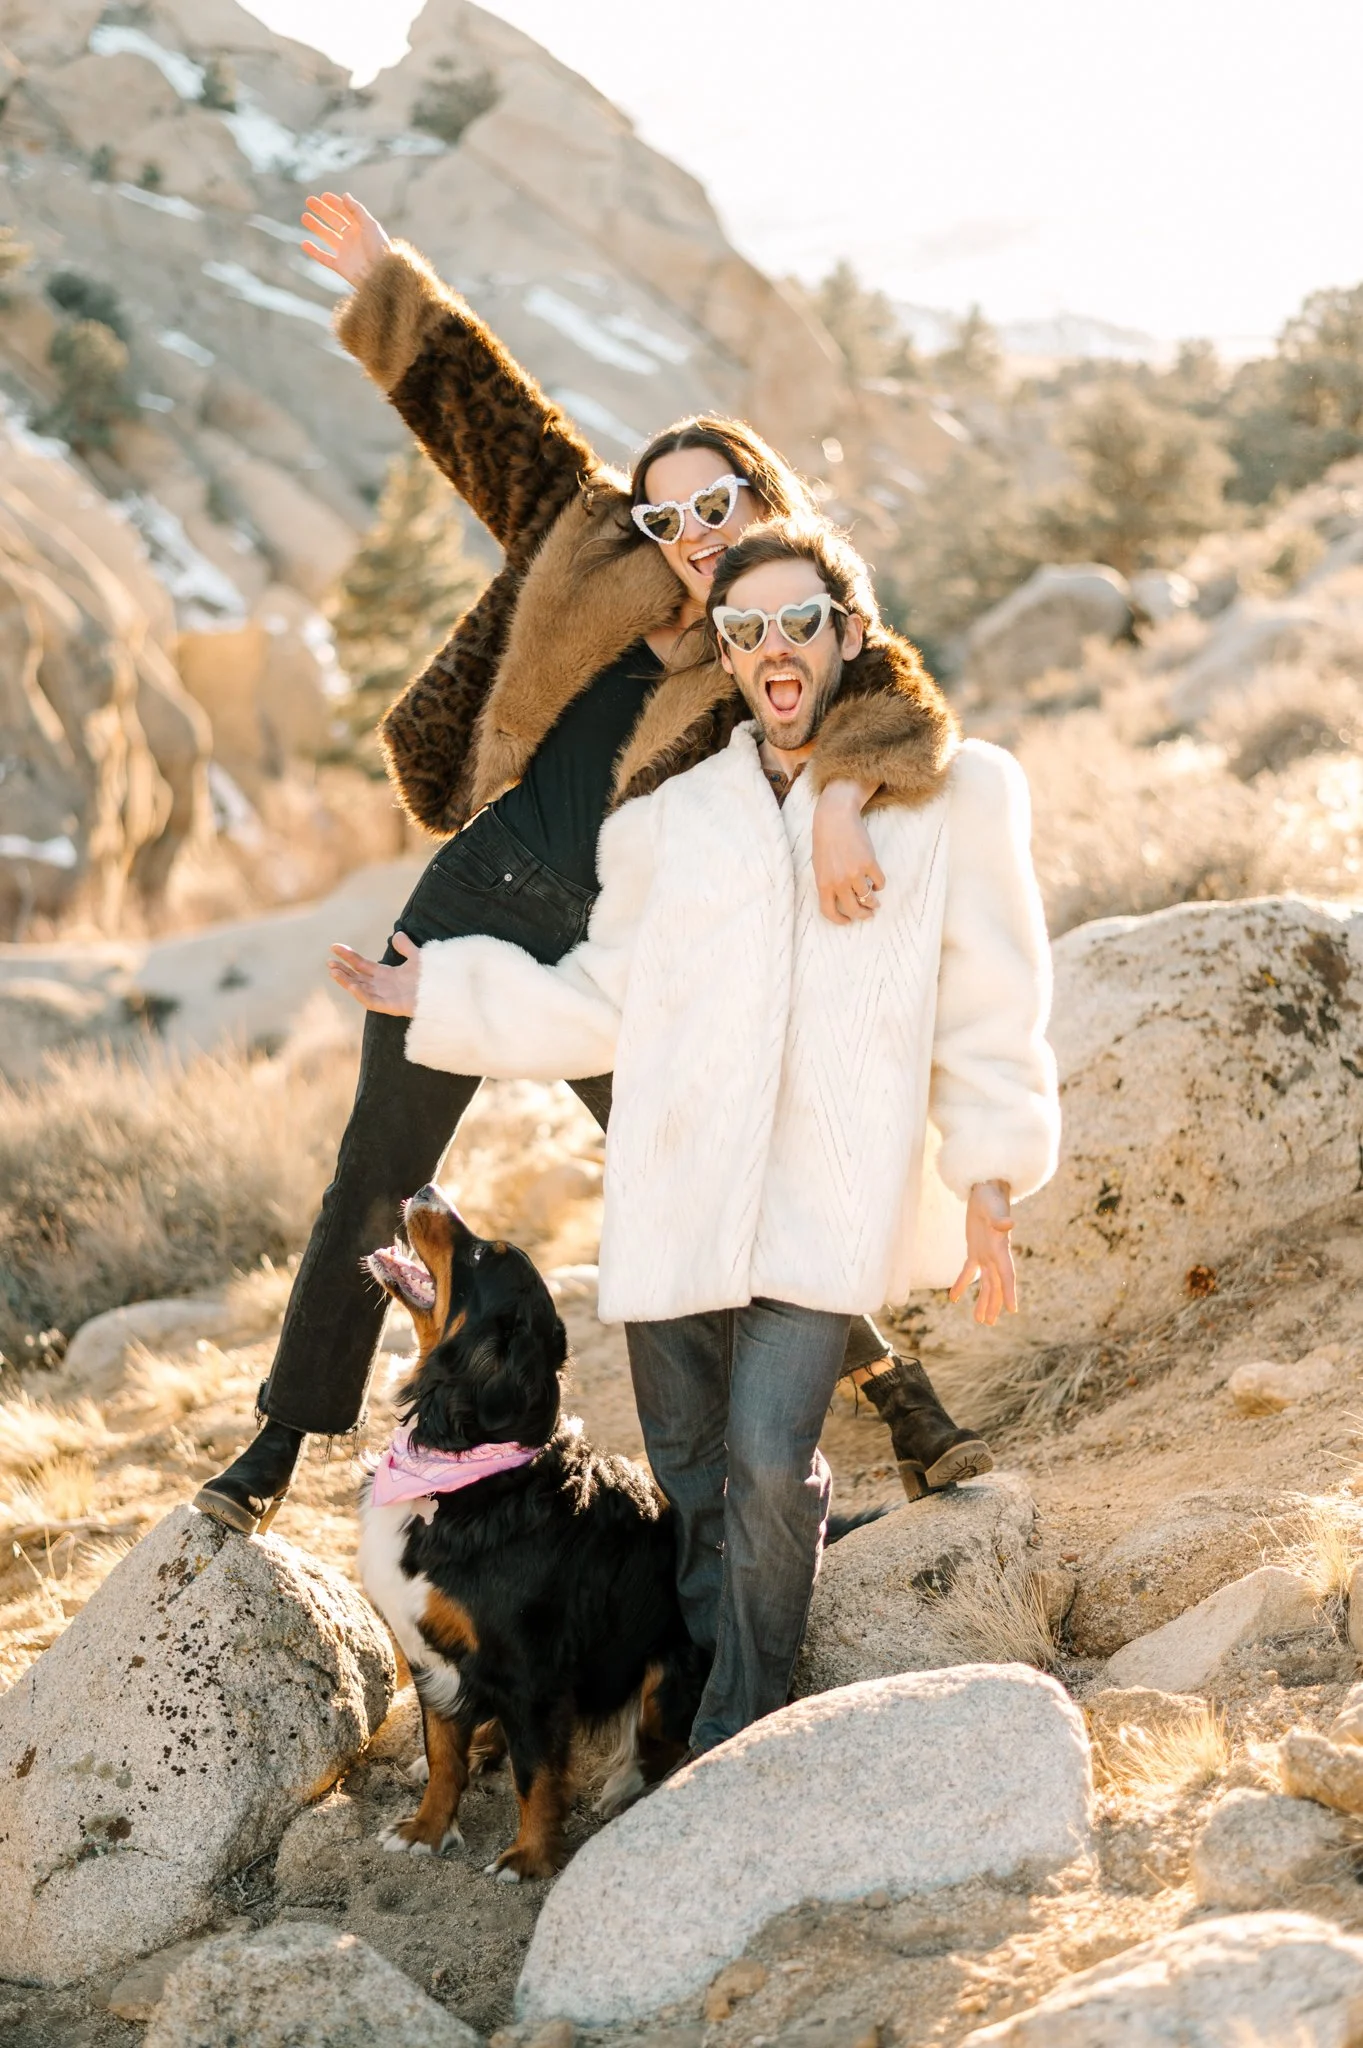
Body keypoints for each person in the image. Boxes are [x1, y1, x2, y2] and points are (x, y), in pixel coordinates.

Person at [193, 193, 990, 1537]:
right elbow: (483, 414)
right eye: (664, 512)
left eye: (712, 506)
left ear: (759, 502)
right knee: (376, 1177)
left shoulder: (792, 618)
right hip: (469, 907)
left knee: (717, 1170)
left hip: (618, 955)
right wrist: (395, 290)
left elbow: (900, 715)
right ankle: (278, 1447)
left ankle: (903, 1406)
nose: (686, 533)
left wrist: (843, 802)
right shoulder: (582, 543)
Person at [328, 518, 1060, 1753]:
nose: (773, 647)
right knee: (690, 1469)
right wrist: (439, 994)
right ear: (723, 655)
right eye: (745, 629)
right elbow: (603, 998)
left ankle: (739, 1727)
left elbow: (993, 993)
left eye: (798, 622)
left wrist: (988, 1174)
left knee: (772, 1459)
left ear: (848, 633)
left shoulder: (952, 797)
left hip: (823, 1198)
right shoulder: (665, 826)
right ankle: (702, 1695)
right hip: (674, 1196)